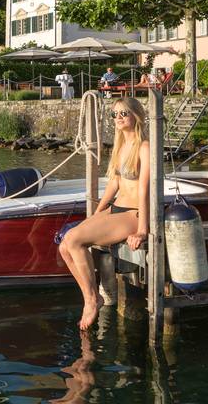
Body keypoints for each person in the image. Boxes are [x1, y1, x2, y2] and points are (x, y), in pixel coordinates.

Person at [58, 97, 149, 330]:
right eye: (115, 114)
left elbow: (146, 189)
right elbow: (114, 184)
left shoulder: (145, 147)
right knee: (64, 246)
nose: (118, 118)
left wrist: (142, 231)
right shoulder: (121, 145)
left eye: (124, 113)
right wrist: (98, 213)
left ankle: (91, 300)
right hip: (117, 208)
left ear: (136, 116)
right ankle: (92, 297)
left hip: (133, 213)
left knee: (75, 240)